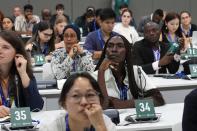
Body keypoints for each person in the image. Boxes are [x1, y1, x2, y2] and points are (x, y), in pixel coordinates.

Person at [94, 34, 165, 109]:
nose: (114, 49)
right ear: (105, 51)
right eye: (110, 46)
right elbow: (103, 105)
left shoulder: (136, 71)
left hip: (133, 118)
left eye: (120, 46)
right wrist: (101, 72)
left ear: (127, 51)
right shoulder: (94, 76)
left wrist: (122, 104)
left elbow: (158, 99)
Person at [40, 72, 116, 131]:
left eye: (90, 95)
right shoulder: (51, 128)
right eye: (76, 96)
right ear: (64, 103)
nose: (84, 102)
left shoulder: (105, 123)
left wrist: (100, 127)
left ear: (100, 100)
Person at [0, 31, 44, 118]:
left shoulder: (23, 73)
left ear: (17, 52)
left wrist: (23, 73)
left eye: (5, 47)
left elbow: (36, 107)